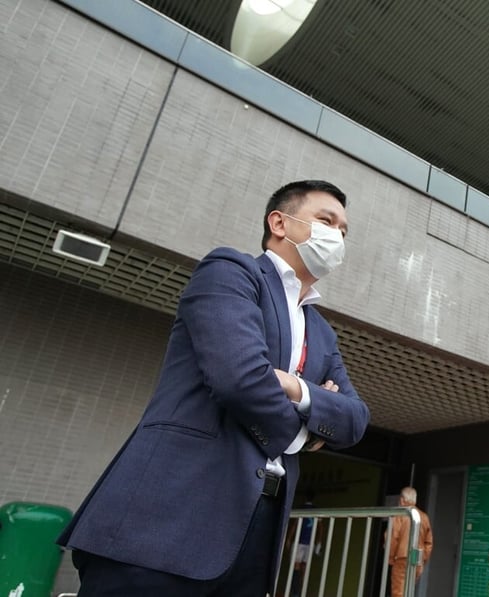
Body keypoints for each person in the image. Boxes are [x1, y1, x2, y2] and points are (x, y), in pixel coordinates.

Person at [57, 180, 371, 596]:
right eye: (326, 221)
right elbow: (239, 378)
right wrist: (304, 429)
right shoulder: (232, 272)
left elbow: (355, 419)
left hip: (259, 525)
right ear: (279, 222)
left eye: (344, 231)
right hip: (168, 518)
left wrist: (294, 387)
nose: (337, 237)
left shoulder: (322, 332)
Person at [388, 487, 434, 597]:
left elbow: (392, 538)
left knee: (398, 592)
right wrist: (423, 559)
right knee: (408, 591)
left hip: (402, 559)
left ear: (403, 499)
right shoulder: (424, 517)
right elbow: (429, 543)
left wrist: (390, 558)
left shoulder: (400, 515)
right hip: (417, 560)